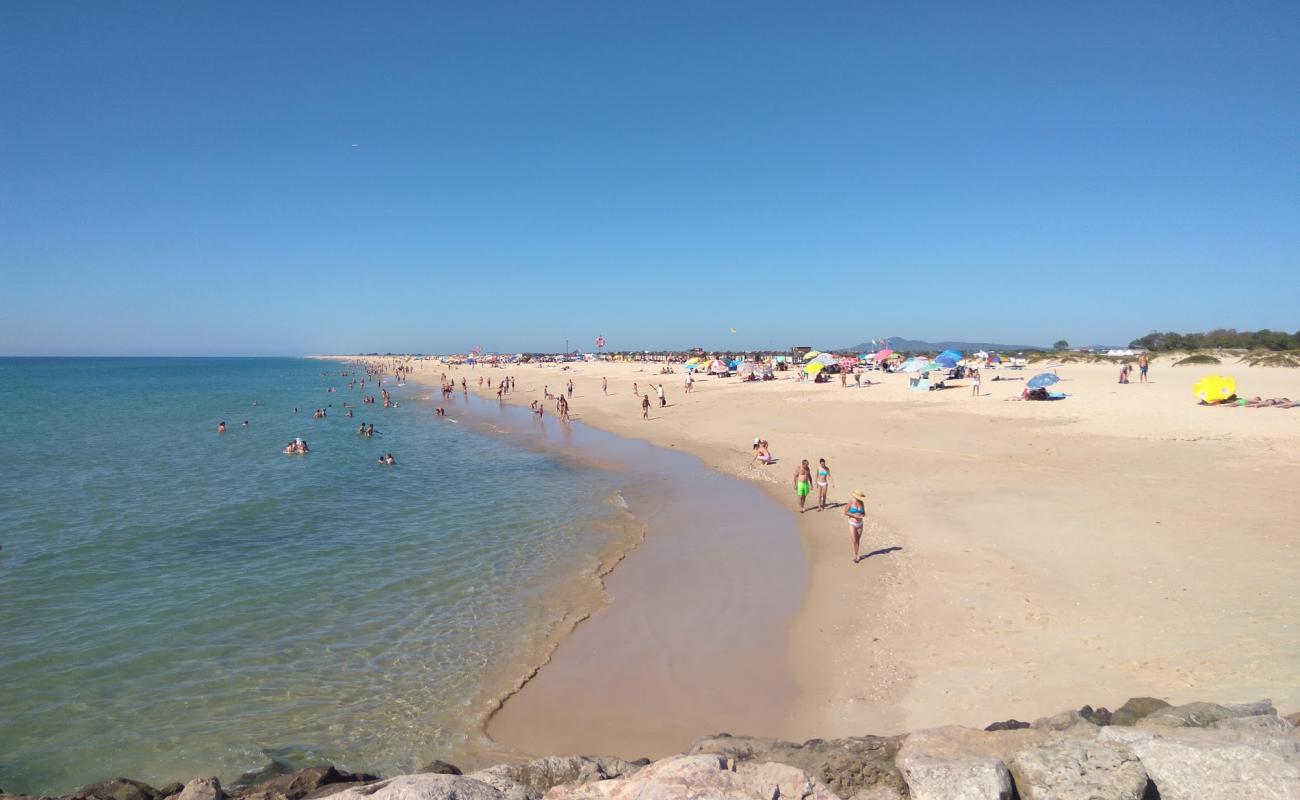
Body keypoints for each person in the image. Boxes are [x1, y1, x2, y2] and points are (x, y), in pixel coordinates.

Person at [846, 489, 867, 562]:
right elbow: (845, 512)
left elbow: (864, 513)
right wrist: (854, 516)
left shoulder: (862, 503)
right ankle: (855, 555)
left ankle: (857, 554)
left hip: (860, 524)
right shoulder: (851, 502)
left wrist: (862, 515)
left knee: (858, 540)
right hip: (852, 523)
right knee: (854, 540)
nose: (860, 498)